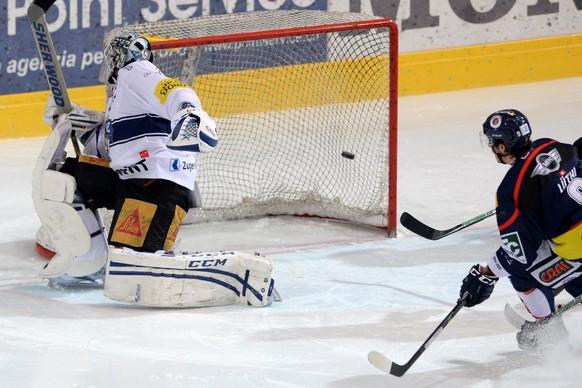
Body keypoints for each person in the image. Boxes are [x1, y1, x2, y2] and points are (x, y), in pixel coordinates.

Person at [458, 109, 582, 351]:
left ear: (503, 147)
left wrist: (486, 273)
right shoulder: (554, 145)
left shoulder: (510, 190)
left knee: (523, 273)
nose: (493, 147)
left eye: (493, 142)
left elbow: (519, 253)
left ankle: (551, 339)